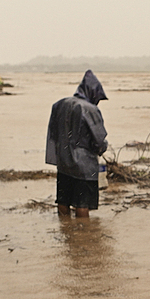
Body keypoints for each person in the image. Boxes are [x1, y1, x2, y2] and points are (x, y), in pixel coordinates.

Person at [45, 70, 109, 218]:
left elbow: (53, 134)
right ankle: (83, 235)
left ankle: (66, 231)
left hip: (63, 161)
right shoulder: (90, 109)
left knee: (63, 200)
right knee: (82, 203)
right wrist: (101, 149)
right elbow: (99, 140)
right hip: (84, 166)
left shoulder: (59, 104)